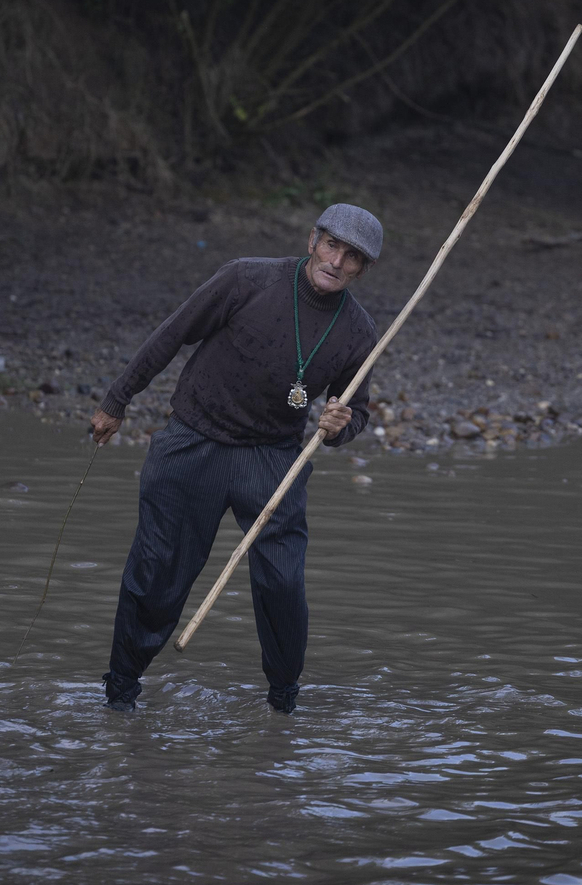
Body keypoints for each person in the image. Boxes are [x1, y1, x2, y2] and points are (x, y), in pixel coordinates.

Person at [90, 203, 382, 714]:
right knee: (159, 573)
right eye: (332, 245)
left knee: (283, 584)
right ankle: (120, 693)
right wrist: (117, 401)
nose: (337, 262)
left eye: (353, 257)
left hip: (272, 459)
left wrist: (338, 427)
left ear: (363, 269)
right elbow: (171, 334)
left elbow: (356, 411)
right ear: (313, 239)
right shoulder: (246, 278)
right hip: (193, 443)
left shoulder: (358, 331)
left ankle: (284, 704)